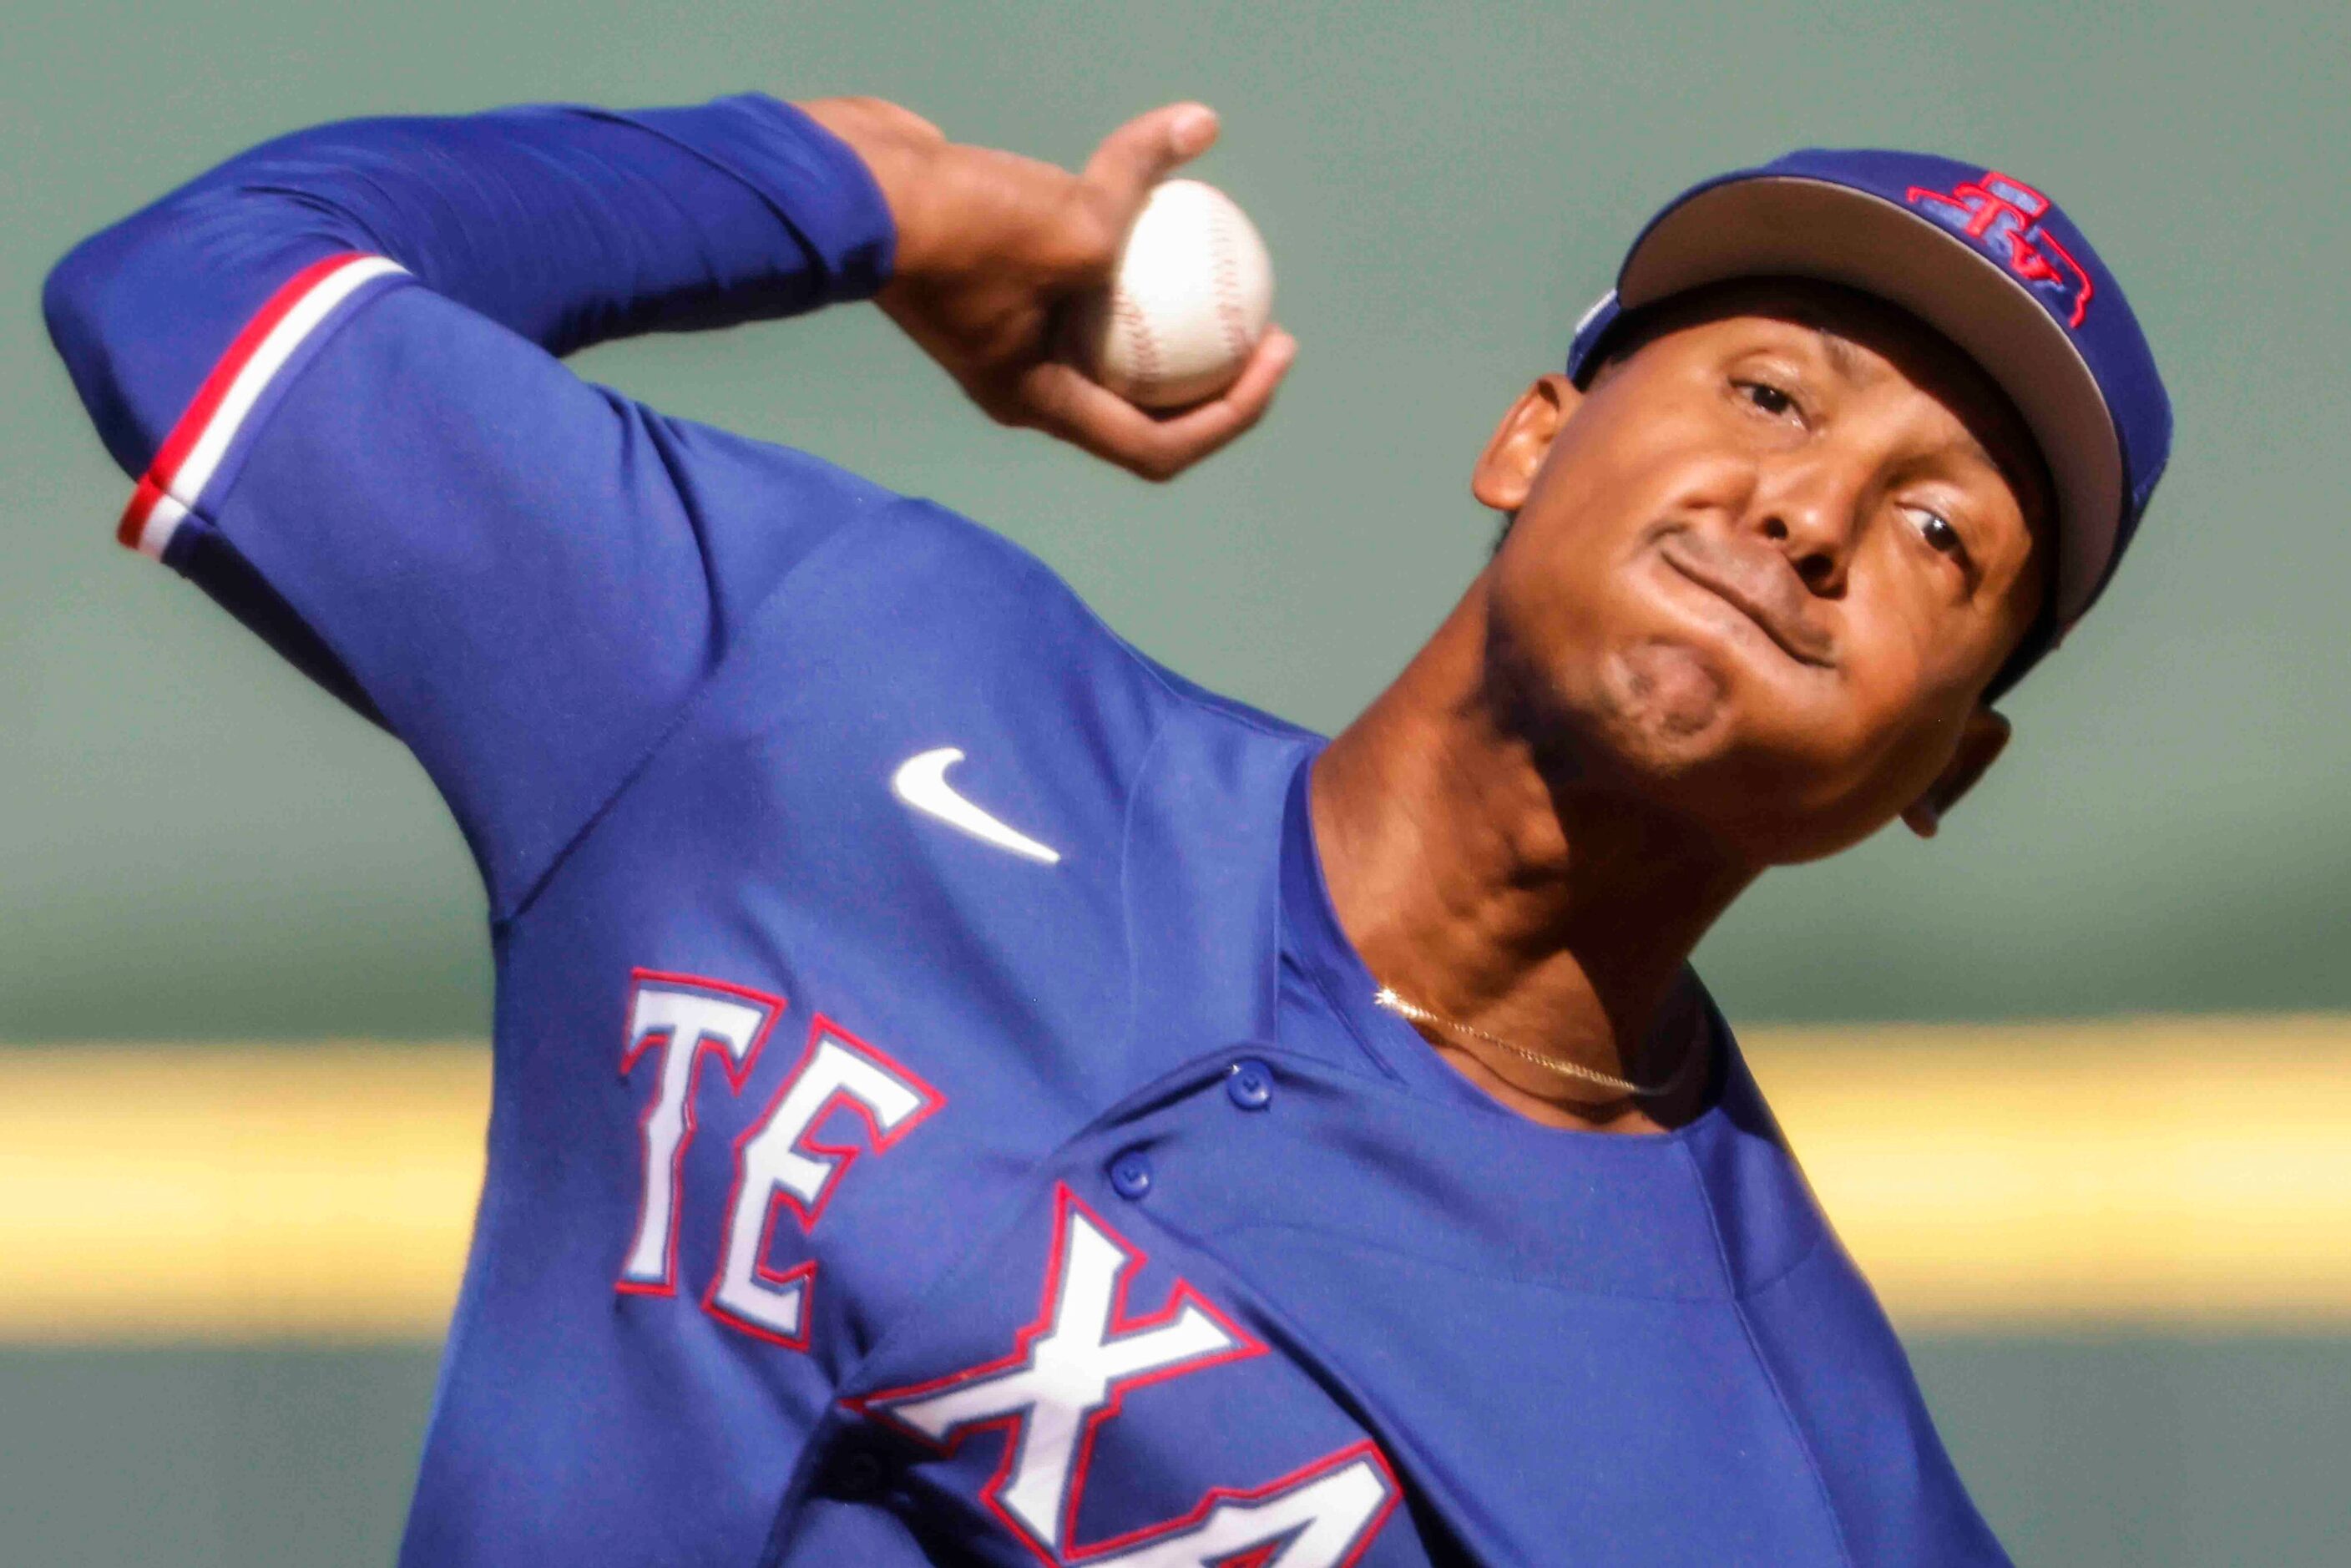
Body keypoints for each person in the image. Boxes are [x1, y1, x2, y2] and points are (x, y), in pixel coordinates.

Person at [44, 90, 2169, 1566]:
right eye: (1771, 396)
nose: (1804, 515)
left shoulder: (1785, 1486)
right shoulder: (812, 676)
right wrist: (846, 190)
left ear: (1941, 772)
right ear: (1532, 436)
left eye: (1934, 534)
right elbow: (200, 288)